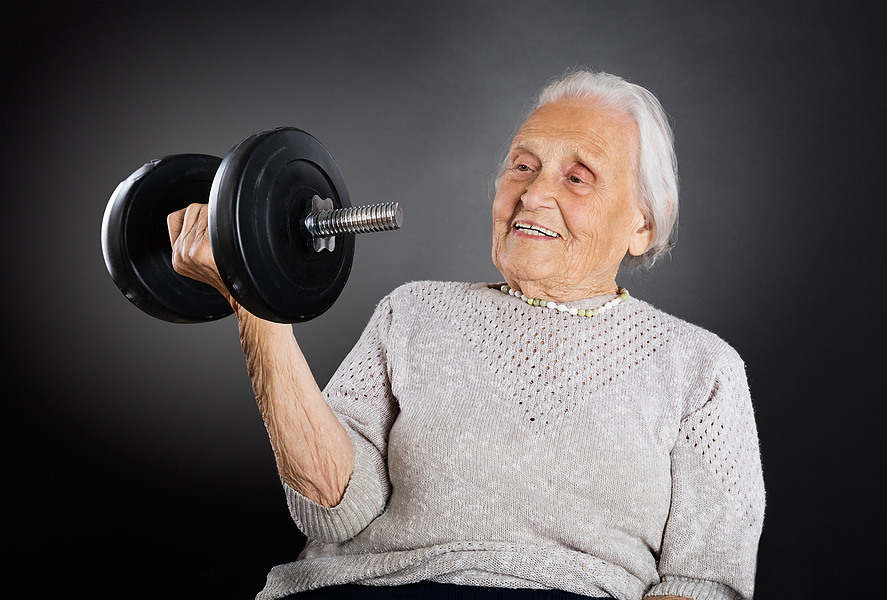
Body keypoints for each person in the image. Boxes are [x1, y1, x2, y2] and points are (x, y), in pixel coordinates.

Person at [168, 70, 765, 600]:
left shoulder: (702, 369)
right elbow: (334, 508)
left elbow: (705, 584)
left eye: (579, 178)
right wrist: (251, 300)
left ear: (643, 222)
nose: (533, 194)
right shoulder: (414, 312)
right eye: (522, 165)